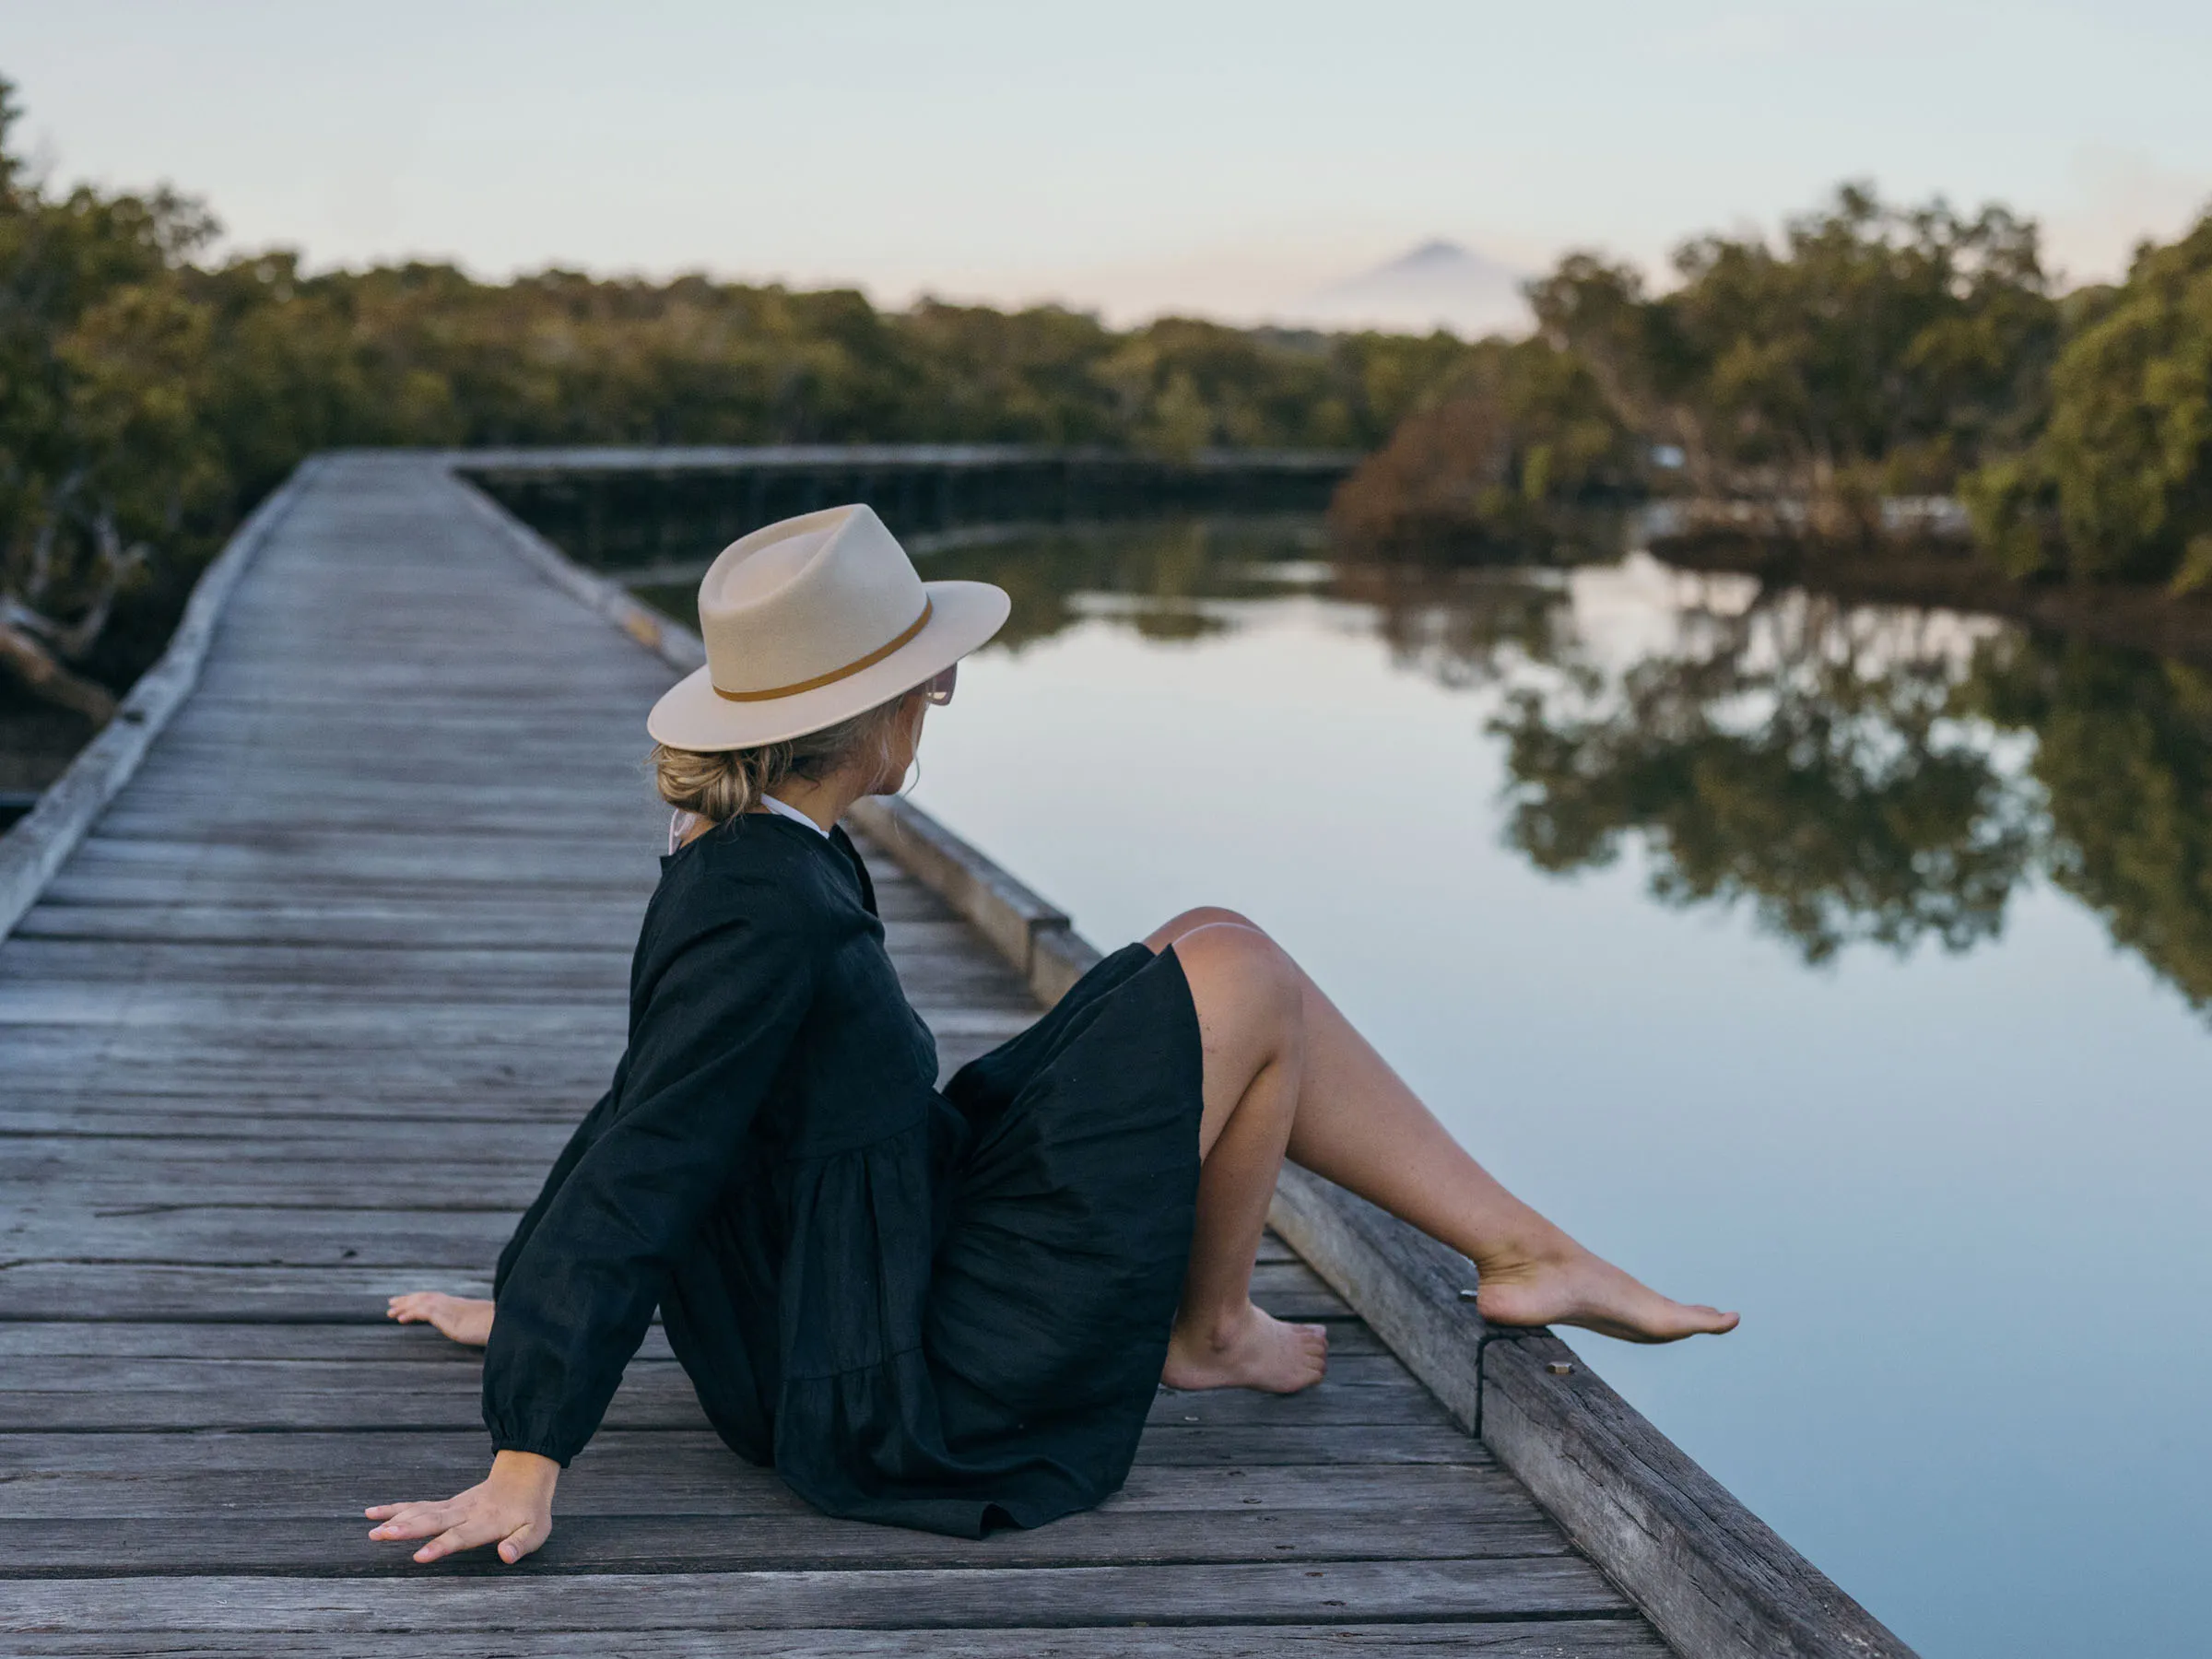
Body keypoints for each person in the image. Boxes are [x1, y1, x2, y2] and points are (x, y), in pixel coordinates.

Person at [369, 504, 1736, 1566]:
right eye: (932, 682)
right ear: (862, 716)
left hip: (885, 1254)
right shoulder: (761, 908)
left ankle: (1439, 1268)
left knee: (1212, 938)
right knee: (1245, 981)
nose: (939, 703)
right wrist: (525, 1447)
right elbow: (651, 1147)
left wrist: (522, 1300)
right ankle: (1272, 1312)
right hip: (886, 1378)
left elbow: (647, 1096)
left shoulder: (752, 849)